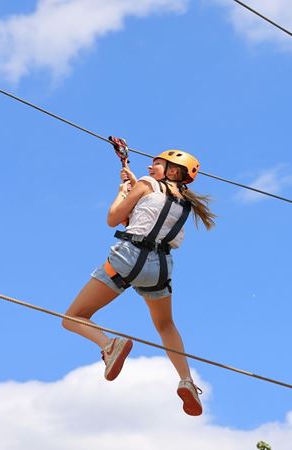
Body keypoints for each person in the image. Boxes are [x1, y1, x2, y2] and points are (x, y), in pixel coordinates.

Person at [62, 138, 215, 416]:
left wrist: (123, 191)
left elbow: (113, 218)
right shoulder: (186, 202)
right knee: (166, 325)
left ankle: (109, 345)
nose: (149, 165)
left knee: (73, 317)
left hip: (128, 258)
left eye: (156, 163)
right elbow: (148, 215)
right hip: (160, 267)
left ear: (171, 170)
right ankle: (187, 381)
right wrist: (137, 186)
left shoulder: (146, 184)